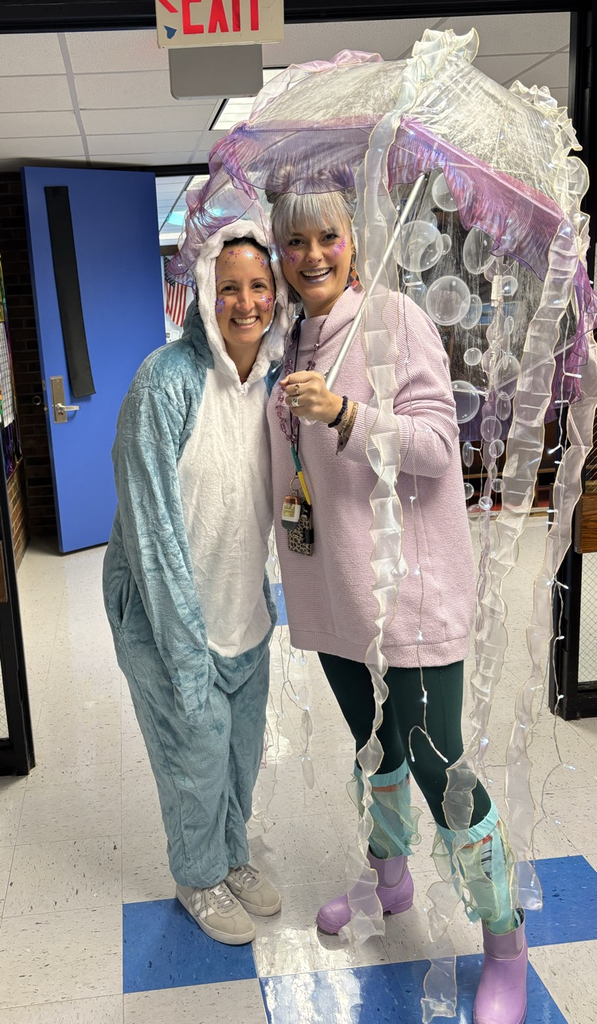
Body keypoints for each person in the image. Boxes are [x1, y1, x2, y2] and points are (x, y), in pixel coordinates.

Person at [266, 188, 527, 1024]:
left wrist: (344, 411)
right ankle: (390, 877)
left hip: (403, 596)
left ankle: (504, 941)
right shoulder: (295, 334)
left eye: (328, 237)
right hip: (333, 592)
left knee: (436, 763)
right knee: (372, 748)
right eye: (295, 240)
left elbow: (436, 447)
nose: (312, 255)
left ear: (355, 239)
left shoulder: (394, 317)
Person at [103, 223, 290, 946]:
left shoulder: (274, 385)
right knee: (194, 756)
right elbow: (150, 531)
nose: (245, 303)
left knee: (239, 752)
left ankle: (232, 854)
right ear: (203, 297)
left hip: (243, 605)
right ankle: (197, 875)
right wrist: (185, 659)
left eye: (258, 287)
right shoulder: (166, 382)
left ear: (275, 295)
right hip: (163, 617)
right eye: (228, 288)